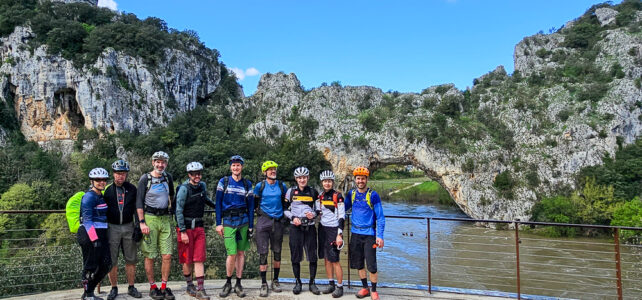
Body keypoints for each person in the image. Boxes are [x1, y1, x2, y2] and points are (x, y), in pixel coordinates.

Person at [136, 151, 175, 300]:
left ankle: (164, 286)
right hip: (150, 218)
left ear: (166, 163)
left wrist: (172, 210)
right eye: (158, 162)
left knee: (167, 255)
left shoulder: (168, 177)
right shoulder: (145, 179)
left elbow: (171, 196)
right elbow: (139, 202)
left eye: (163, 162)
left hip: (165, 218)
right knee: (150, 255)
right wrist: (141, 222)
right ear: (153, 162)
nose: (160, 164)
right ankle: (153, 287)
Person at [176, 162, 216, 300]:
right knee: (187, 260)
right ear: (189, 175)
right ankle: (189, 285)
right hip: (185, 228)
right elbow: (178, 210)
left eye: (199, 173)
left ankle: (200, 289)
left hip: (198, 226)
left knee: (199, 258)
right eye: (194, 174)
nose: (197, 176)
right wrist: (182, 231)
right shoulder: (184, 189)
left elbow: (205, 199)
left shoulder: (202, 186)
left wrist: (218, 208)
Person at [215, 155, 254, 298]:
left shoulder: (247, 184)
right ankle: (228, 282)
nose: (236, 167)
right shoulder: (223, 182)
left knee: (241, 253)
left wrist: (251, 225)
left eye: (238, 165)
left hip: (243, 220)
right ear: (230, 167)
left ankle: (238, 283)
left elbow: (251, 206)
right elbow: (217, 203)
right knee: (231, 253)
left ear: (242, 166)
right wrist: (218, 223)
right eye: (233, 165)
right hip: (229, 221)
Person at [104, 160, 142, 300]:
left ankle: (131, 287)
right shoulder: (107, 190)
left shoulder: (132, 189)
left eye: (123, 174)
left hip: (128, 225)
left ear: (126, 175)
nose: (120, 176)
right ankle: (114, 288)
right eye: (118, 174)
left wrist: (138, 225)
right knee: (112, 260)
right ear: (113, 174)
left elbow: (137, 207)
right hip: (112, 226)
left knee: (131, 259)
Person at [345, 167, 385, 300]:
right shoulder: (351, 194)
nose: (360, 181)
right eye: (358, 178)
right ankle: (364, 288)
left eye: (363, 178)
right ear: (355, 180)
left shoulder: (373, 195)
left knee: (371, 265)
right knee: (358, 263)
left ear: (367, 179)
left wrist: (380, 236)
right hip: (355, 233)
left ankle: (374, 290)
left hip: (369, 234)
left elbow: (380, 217)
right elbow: (342, 209)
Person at [253, 160, 289, 297]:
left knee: (278, 252)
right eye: (270, 170)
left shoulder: (282, 185)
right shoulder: (260, 186)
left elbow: (286, 201)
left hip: (278, 222)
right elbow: (254, 203)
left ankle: (276, 280)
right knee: (263, 253)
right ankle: (263, 283)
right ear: (265, 172)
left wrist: (285, 215)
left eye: (274, 169)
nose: (273, 171)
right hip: (263, 220)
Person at [284, 166, 321, 295]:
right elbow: (285, 209)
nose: (302, 180)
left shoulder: (313, 192)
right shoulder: (290, 192)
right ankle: (298, 282)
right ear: (296, 179)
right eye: (299, 178)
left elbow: (318, 209)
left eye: (304, 177)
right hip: (295, 227)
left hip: (310, 227)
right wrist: (293, 217)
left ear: (308, 178)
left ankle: (312, 282)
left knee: (312, 256)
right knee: (295, 255)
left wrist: (314, 215)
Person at [78, 168, 112, 300]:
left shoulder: (99, 196)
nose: (101, 182)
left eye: (104, 180)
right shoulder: (89, 197)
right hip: (89, 234)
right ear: (92, 181)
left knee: (106, 263)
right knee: (90, 266)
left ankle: (89, 291)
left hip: (101, 233)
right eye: (98, 180)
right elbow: (87, 220)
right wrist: (94, 239)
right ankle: (88, 295)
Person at [316, 170, 345, 298]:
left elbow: (342, 216)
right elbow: (318, 212)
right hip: (322, 229)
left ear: (332, 182)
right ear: (322, 182)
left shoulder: (338, 196)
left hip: (334, 230)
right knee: (327, 259)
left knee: (335, 260)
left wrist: (339, 234)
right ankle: (331, 283)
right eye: (325, 181)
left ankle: (340, 286)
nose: (327, 183)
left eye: (329, 181)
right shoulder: (320, 197)